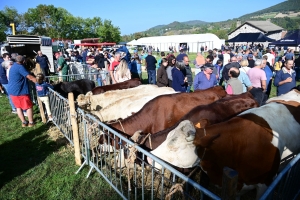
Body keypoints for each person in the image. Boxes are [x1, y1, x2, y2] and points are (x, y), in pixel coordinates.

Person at [7, 55, 37, 127]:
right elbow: (29, 77)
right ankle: (31, 123)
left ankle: (24, 122)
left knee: (18, 107)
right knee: (28, 106)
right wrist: (39, 82)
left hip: (12, 90)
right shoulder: (20, 67)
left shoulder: (13, 66)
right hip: (20, 91)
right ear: (23, 61)